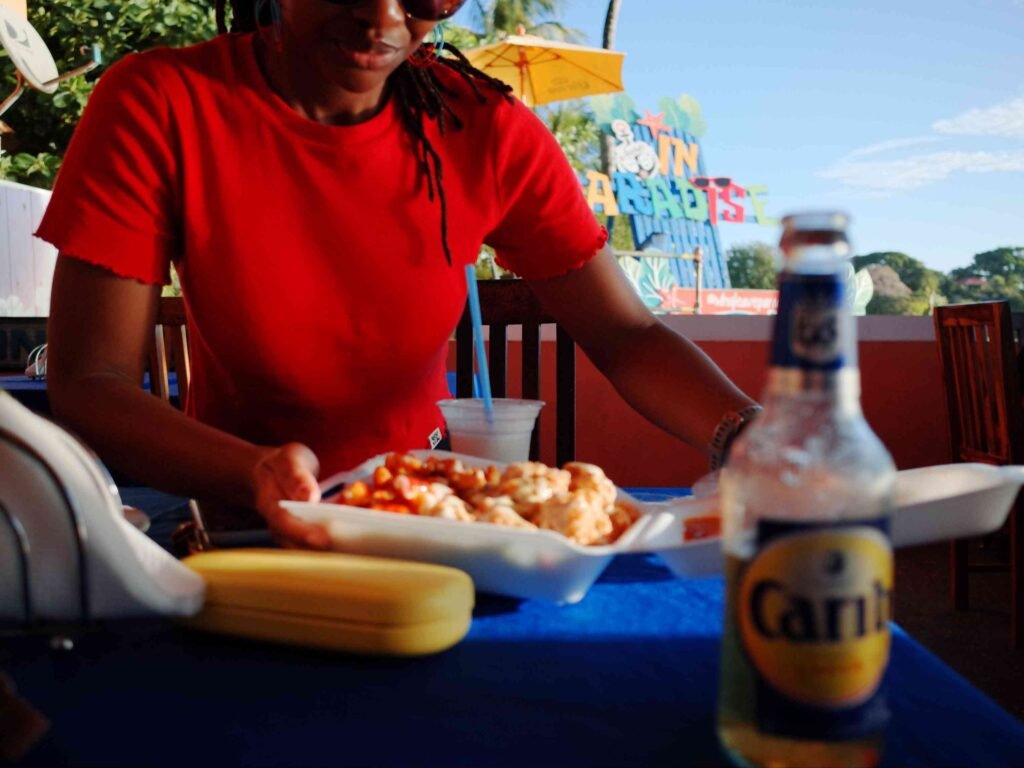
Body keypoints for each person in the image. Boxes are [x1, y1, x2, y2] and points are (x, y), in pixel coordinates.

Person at [40, 0, 759, 549]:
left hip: (431, 520)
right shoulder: (160, 101)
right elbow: (90, 383)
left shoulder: (486, 129)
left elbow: (625, 332)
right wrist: (257, 474)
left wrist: (751, 438)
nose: (383, 19)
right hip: (240, 531)